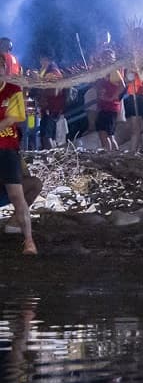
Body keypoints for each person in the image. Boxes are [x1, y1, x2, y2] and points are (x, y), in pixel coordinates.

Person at [0, 55, 36, 254]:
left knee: (17, 194)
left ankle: (29, 240)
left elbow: (14, 117)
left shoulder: (13, 90)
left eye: (1, 67)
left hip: (6, 148)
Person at [93, 50, 124, 152]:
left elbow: (122, 86)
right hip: (105, 107)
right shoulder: (104, 72)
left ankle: (110, 156)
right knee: (109, 135)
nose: (106, 59)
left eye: (108, 57)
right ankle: (116, 156)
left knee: (105, 134)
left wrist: (112, 97)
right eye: (105, 57)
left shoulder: (113, 71)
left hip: (110, 107)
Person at [33, 52, 66, 151]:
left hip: (51, 109)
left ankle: (51, 159)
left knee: (46, 136)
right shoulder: (49, 71)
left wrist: (38, 80)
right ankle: (53, 159)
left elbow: (54, 91)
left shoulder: (53, 72)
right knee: (49, 136)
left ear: (46, 59)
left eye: (42, 60)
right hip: (50, 109)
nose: (40, 62)